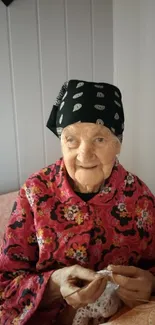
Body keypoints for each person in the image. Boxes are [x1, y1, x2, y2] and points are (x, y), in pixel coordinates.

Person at [0, 80, 155, 325]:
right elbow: (6, 284)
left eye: (100, 140)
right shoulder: (35, 192)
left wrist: (150, 284)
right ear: (61, 142)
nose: (84, 154)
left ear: (118, 143)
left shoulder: (140, 198)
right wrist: (52, 285)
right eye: (71, 139)